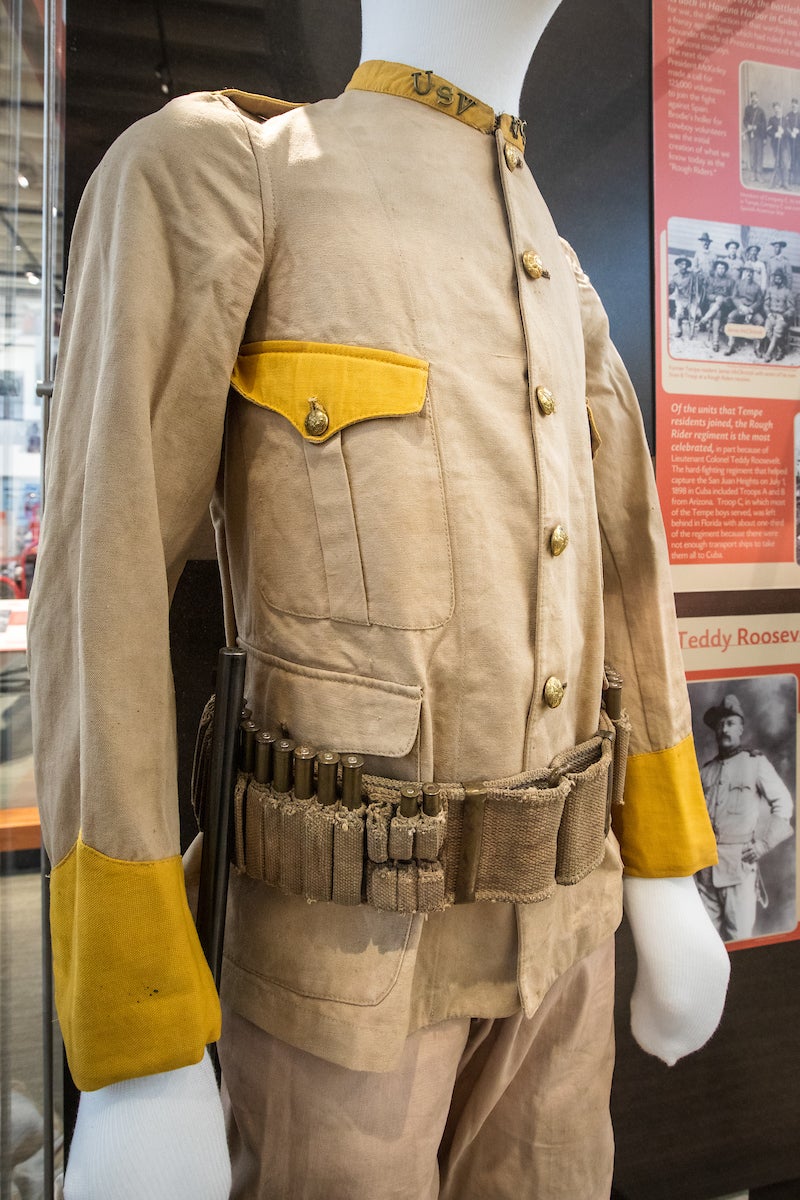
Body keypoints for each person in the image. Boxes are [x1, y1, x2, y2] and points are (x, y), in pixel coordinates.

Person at [28, 2, 729, 1198]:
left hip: (563, 953)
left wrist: (663, 876)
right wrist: (138, 1039)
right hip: (336, 979)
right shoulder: (229, 173)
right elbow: (102, 595)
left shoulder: (555, 266)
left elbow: (630, 579)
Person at [696, 694, 793, 942]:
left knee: (738, 939)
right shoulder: (705, 771)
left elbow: (784, 803)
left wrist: (763, 844)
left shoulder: (755, 763)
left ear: (740, 727)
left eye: (729, 723)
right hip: (705, 871)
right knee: (706, 941)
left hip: (739, 867)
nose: (724, 728)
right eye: (719, 724)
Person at [724, 264, 764, 356]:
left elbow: (759, 301)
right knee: (731, 317)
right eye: (747, 272)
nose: (749, 274)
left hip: (752, 311)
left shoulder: (757, 286)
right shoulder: (738, 283)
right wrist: (741, 306)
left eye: (751, 272)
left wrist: (751, 309)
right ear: (744, 273)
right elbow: (734, 297)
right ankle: (731, 345)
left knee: (760, 321)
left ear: (753, 274)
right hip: (740, 308)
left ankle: (757, 348)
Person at [698, 259, 735, 352]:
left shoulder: (730, 281)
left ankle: (705, 319)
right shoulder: (712, 280)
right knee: (717, 313)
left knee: (721, 300)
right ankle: (715, 342)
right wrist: (715, 298)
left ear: (725, 269)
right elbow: (708, 295)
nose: (721, 270)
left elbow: (733, 295)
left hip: (726, 305)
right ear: (716, 269)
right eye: (719, 268)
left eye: (723, 268)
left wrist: (724, 299)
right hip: (714, 305)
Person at [760, 268, 795, 361]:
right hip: (771, 314)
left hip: (782, 317)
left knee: (777, 329)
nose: (777, 280)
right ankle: (781, 349)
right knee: (767, 330)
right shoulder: (770, 290)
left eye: (779, 278)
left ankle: (768, 353)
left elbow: (792, 309)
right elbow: (765, 305)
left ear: (783, 279)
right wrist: (769, 315)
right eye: (776, 278)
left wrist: (783, 317)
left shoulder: (787, 292)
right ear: (774, 279)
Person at [669, 256, 695, 339]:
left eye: (686, 264)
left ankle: (691, 329)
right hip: (680, 299)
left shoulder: (692, 275)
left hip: (691, 299)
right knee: (678, 313)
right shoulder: (675, 277)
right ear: (678, 265)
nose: (684, 266)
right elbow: (671, 289)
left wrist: (699, 275)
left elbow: (699, 284)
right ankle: (679, 329)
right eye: (682, 264)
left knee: (693, 314)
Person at [742, 90, 766, 181]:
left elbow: (764, 125)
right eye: (753, 97)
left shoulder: (761, 111)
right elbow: (745, 120)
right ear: (751, 98)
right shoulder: (747, 109)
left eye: (756, 97)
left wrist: (757, 127)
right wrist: (748, 125)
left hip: (759, 136)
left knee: (759, 154)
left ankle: (759, 174)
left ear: (758, 98)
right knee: (752, 154)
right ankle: (752, 174)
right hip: (751, 136)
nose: (754, 99)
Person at [767, 103, 790, 190]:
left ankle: (785, 183)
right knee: (777, 163)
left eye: (778, 108)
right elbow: (768, 131)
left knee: (784, 163)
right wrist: (775, 134)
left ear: (781, 108)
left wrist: (783, 131)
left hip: (783, 145)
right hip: (775, 145)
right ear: (774, 110)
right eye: (775, 109)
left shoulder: (785, 120)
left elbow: (789, 132)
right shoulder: (771, 119)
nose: (777, 110)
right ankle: (778, 181)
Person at [787, 98, 800, 186]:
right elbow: (786, 126)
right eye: (792, 104)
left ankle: (797, 177)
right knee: (792, 158)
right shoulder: (788, 115)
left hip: (799, 140)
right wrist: (791, 132)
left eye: (795, 104)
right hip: (791, 140)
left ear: (798, 105)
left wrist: (798, 131)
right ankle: (791, 177)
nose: (794, 105)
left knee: (798, 159)